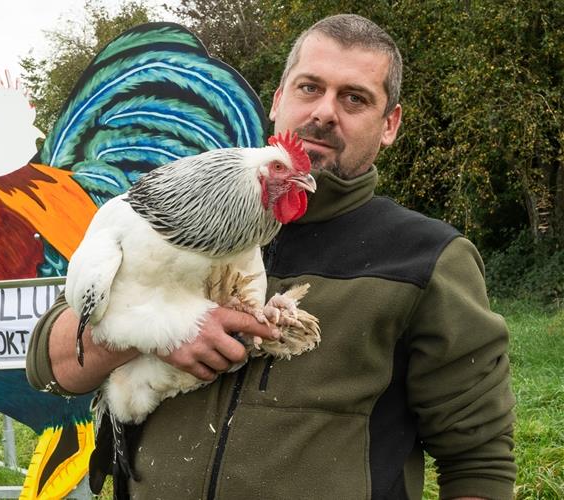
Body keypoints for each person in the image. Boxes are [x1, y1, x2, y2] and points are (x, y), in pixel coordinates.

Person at [27, 14, 516, 500]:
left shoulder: (425, 257)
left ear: (389, 125)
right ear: (278, 100)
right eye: (309, 87)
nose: (325, 112)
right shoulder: (154, 222)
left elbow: (479, 460)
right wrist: (159, 332)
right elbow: (49, 365)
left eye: (354, 98)